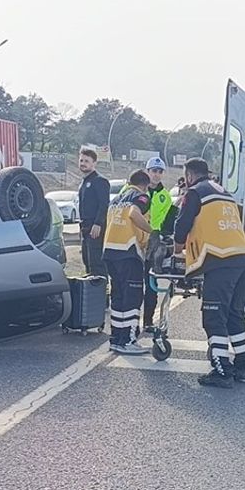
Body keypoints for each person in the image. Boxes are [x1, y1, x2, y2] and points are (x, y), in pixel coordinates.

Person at [174, 158, 245, 388]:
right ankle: (243, 365)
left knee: (214, 317)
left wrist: (177, 247)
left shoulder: (195, 192)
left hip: (220, 260)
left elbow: (183, 224)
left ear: (189, 175)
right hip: (242, 258)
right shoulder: (224, 193)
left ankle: (221, 370)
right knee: (234, 315)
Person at [102, 169, 153, 355]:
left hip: (110, 251)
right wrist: (152, 232)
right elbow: (134, 213)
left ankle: (116, 338)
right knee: (132, 297)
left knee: (118, 297)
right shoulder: (141, 197)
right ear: (145, 185)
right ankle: (129, 340)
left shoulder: (116, 199)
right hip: (128, 251)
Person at [141, 157, 178, 332]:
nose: (156, 174)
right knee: (132, 282)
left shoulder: (165, 196)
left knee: (151, 282)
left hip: (154, 239)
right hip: (134, 236)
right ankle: (131, 321)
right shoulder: (135, 189)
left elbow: (166, 221)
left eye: (159, 171)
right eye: (153, 170)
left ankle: (148, 320)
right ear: (147, 171)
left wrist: (164, 236)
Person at [76, 148, 110, 277]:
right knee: (87, 262)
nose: (83, 163)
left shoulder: (99, 181)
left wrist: (98, 223)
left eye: (87, 161)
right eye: (81, 160)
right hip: (84, 227)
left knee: (97, 264)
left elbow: (104, 204)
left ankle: (102, 294)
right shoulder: (84, 183)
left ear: (94, 163)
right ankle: (90, 294)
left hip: (95, 228)